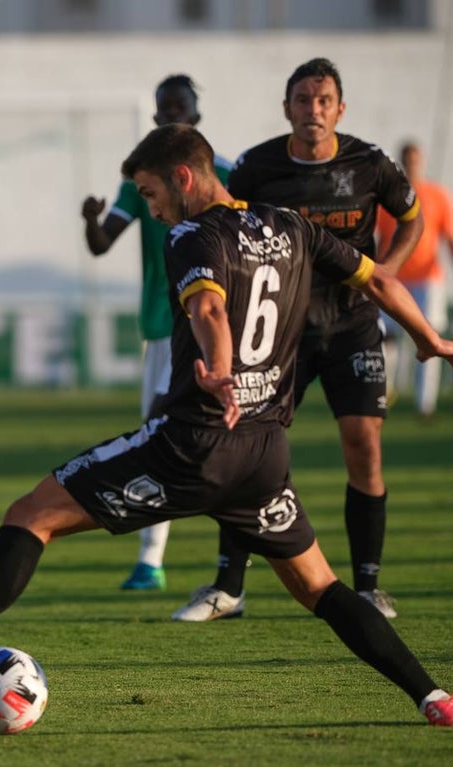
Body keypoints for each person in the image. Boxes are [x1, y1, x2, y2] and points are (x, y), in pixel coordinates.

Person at [0, 123, 453, 728]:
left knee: (33, 514)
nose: (153, 209)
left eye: (150, 193)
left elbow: (210, 306)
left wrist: (219, 370)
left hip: (192, 441)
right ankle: (433, 697)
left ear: (182, 177)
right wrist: (428, 339)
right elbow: (378, 278)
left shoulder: (192, 234)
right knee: (320, 586)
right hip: (264, 455)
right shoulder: (291, 226)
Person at [172, 57, 424, 622]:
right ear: (287, 108)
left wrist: (389, 274)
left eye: (324, 100)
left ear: (340, 108)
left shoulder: (368, 164)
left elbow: (412, 217)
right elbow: (225, 227)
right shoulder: (258, 167)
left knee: (364, 449)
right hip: (281, 333)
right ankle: (228, 589)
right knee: (245, 451)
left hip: (354, 325)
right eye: (303, 100)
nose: (314, 110)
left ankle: (367, 587)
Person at [81, 73, 233, 591]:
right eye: (165, 109)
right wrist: (90, 222)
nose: (173, 116)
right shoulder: (138, 180)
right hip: (163, 331)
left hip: (217, 329)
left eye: (181, 108)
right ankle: (152, 560)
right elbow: (103, 243)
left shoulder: (228, 177)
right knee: (161, 437)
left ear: (196, 117)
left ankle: (232, 563)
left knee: (226, 438)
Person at [376, 141, 453, 419]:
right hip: (394, 279)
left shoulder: (435, 195)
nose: (411, 164)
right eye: (406, 159)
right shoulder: (388, 196)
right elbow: (377, 238)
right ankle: (382, 397)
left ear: (421, 161)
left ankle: (425, 405)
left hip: (428, 280)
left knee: (430, 340)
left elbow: (448, 237)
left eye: (415, 159)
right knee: (387, 338)